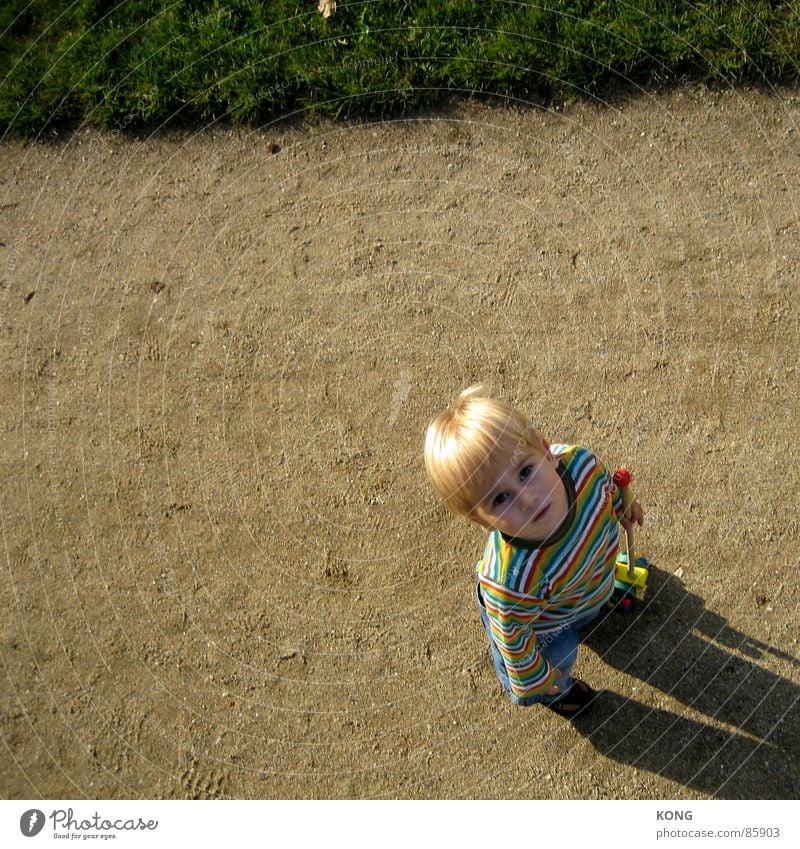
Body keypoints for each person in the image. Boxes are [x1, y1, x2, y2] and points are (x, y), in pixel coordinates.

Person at [423, 385, 644, 718]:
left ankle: (595, 601)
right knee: (560, 651)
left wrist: (622, 507)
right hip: (541, 625)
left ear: (546, 451)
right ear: (480, 521)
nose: (527, 499)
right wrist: (534, 680)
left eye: (525, 471)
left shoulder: (582, 466)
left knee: (588, 607)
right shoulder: (510, 581)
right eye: (500, 499)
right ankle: (558, 693)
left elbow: (606, 491)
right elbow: (513, 640)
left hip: (583, 586)